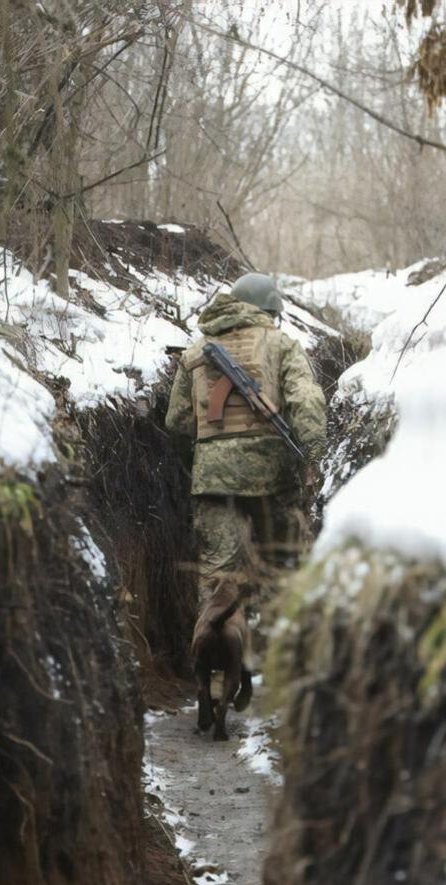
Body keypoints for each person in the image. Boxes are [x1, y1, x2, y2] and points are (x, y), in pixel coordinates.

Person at [165, 272, 327, 686]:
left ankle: (211, 672)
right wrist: (313, 454)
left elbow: (179, 421)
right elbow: (306, 400)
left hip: (215, 479)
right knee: (281, 568)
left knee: (220, 579)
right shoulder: (281, 344)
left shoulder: (197, 350)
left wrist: (203, 461)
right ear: (271, 310)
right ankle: (277, 674)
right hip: (274, 476)